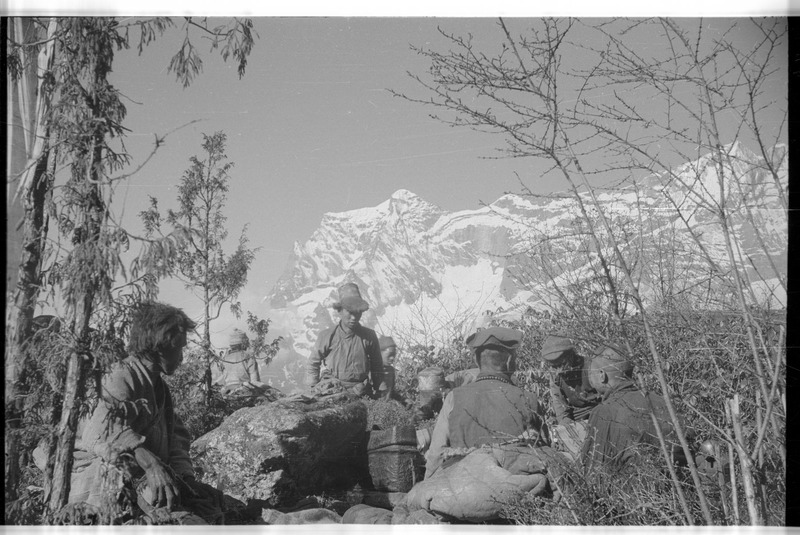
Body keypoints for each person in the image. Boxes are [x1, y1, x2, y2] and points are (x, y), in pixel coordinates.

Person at [66, 302, 222, 524]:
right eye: (179, 348)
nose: (181, 357)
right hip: (105, 478)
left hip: (143, 480)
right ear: (159, 345)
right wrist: (150, 463)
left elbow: (175, 442)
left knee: (210, 509)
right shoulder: (121, 375)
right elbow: (102, 432)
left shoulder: (161, 389)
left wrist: (188, 482)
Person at [424, 327, 545, 478]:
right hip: (518, 488)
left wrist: (427, 483)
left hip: (464, 485)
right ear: (509, 361)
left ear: (476, 361)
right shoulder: (529, 399)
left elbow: (436, 455)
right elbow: (544, 453)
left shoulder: (454, 397)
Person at [581, 345, 685, 472]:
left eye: (591, 373)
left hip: (633, 482)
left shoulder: (604, 412)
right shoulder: (661, 401)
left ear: (602, 375)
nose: (590, 377)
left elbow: (593, 469)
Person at [305, 282, 384, 397]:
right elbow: (313, 362)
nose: (354, 317)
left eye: (358, 312)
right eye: (350, 312)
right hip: (331, 389)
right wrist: (313, 387)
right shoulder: (326, 336)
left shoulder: (369, 336)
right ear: (340, 311)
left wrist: (380, 390)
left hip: (360, 390)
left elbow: (377, 365)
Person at [540, 335, 600, 425]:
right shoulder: (555, 377)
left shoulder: (590, 367)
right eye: (554, 366)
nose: (559, 370)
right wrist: (567, 426)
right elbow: (560, 408)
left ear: (571, 355)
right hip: (577, 419)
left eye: (562, 364)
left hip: (599, 414)